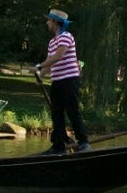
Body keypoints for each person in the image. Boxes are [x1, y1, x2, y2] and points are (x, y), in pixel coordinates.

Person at [35, 9, 90, 155]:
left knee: (72, 111)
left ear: (55, 22)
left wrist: (38, 66)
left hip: (69, 80)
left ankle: (83, 142)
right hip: (57, 81)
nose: (47, 23)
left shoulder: (66, 36)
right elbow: (49, 62)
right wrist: (40, 76)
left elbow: (59, 56)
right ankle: (58, 146)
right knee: (56, 113)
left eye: (49, 20)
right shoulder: (52, 42)